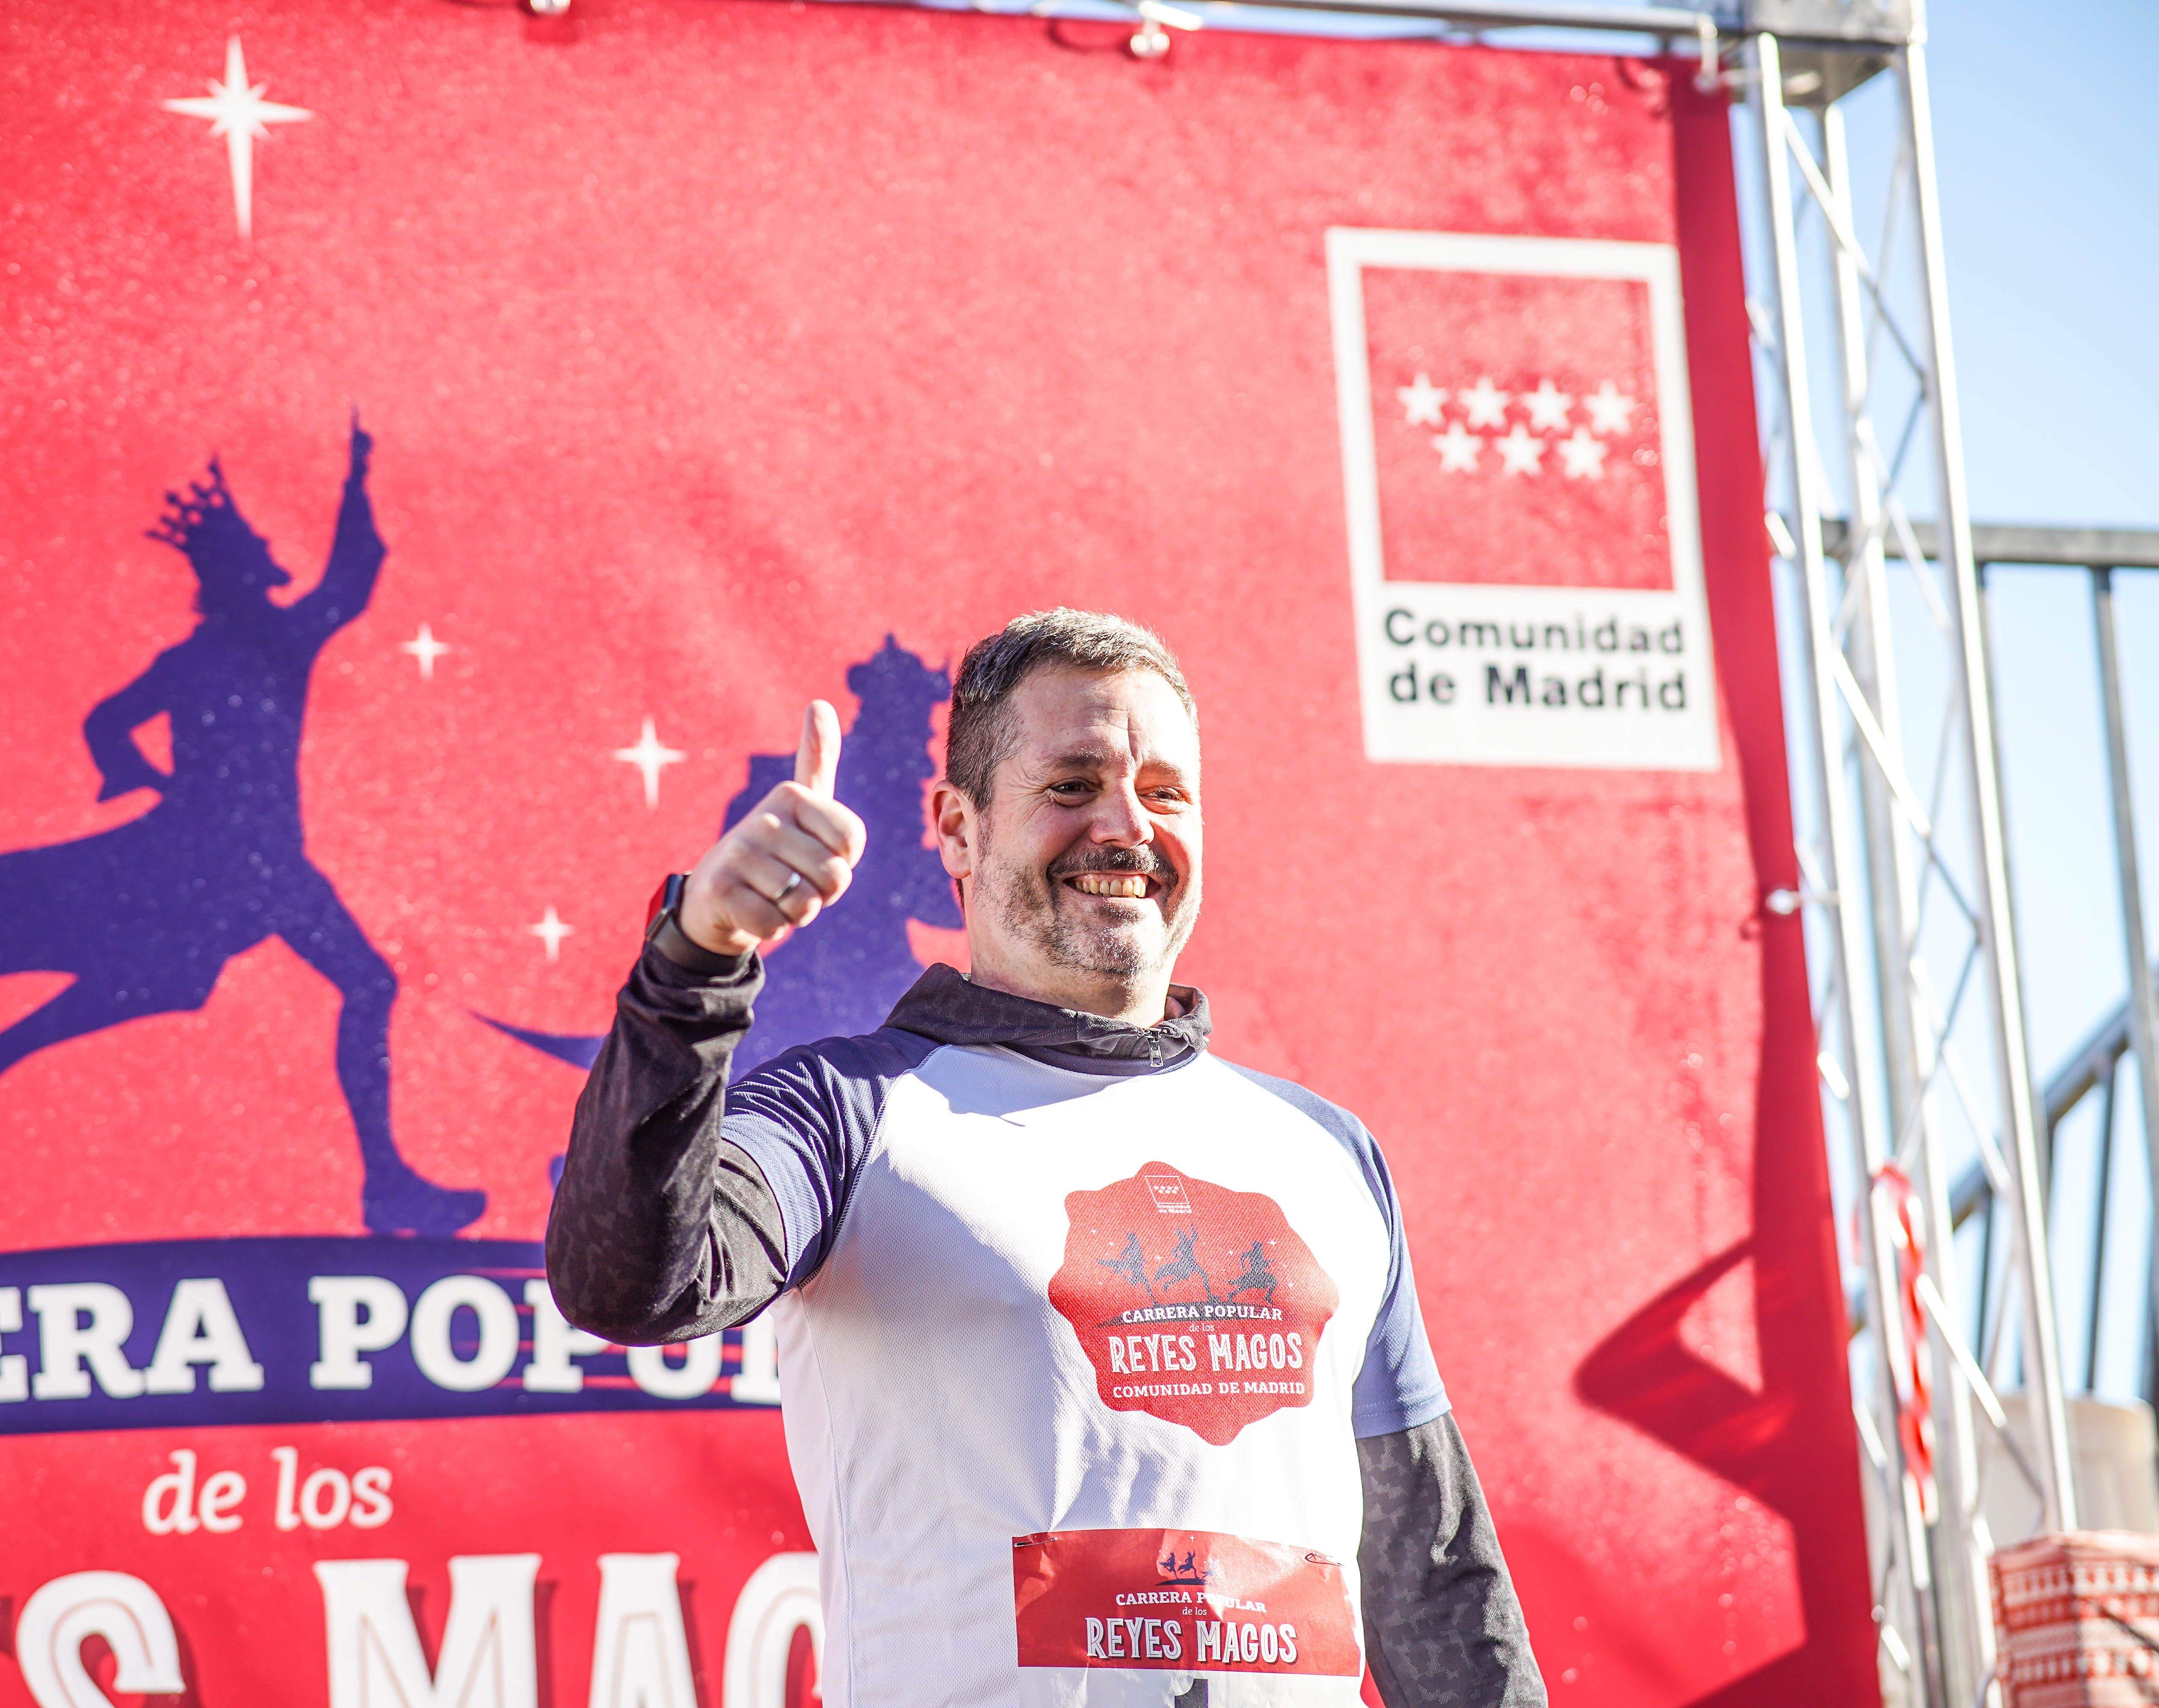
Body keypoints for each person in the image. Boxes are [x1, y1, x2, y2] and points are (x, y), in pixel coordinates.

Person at [547, 610, 1542, 1705]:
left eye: (1165, 791)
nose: (1126, 826)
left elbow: (1434, 1581)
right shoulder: (848, 1113)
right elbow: (626, 1278)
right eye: (1072, 785)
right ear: (958, 829)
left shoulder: (1326, 1150)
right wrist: (696, 959)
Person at [0, 421, 482, 1236]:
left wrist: (145, 778)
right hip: (247, 870)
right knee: (354, 984)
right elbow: (349, 582)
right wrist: (356, 479)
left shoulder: (216, 654)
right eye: (257, 548)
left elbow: (108, 722)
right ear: (236, 573)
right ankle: (384, 1186)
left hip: (240, 863)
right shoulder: (269, 646)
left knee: (158, 983)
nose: (270, 555)